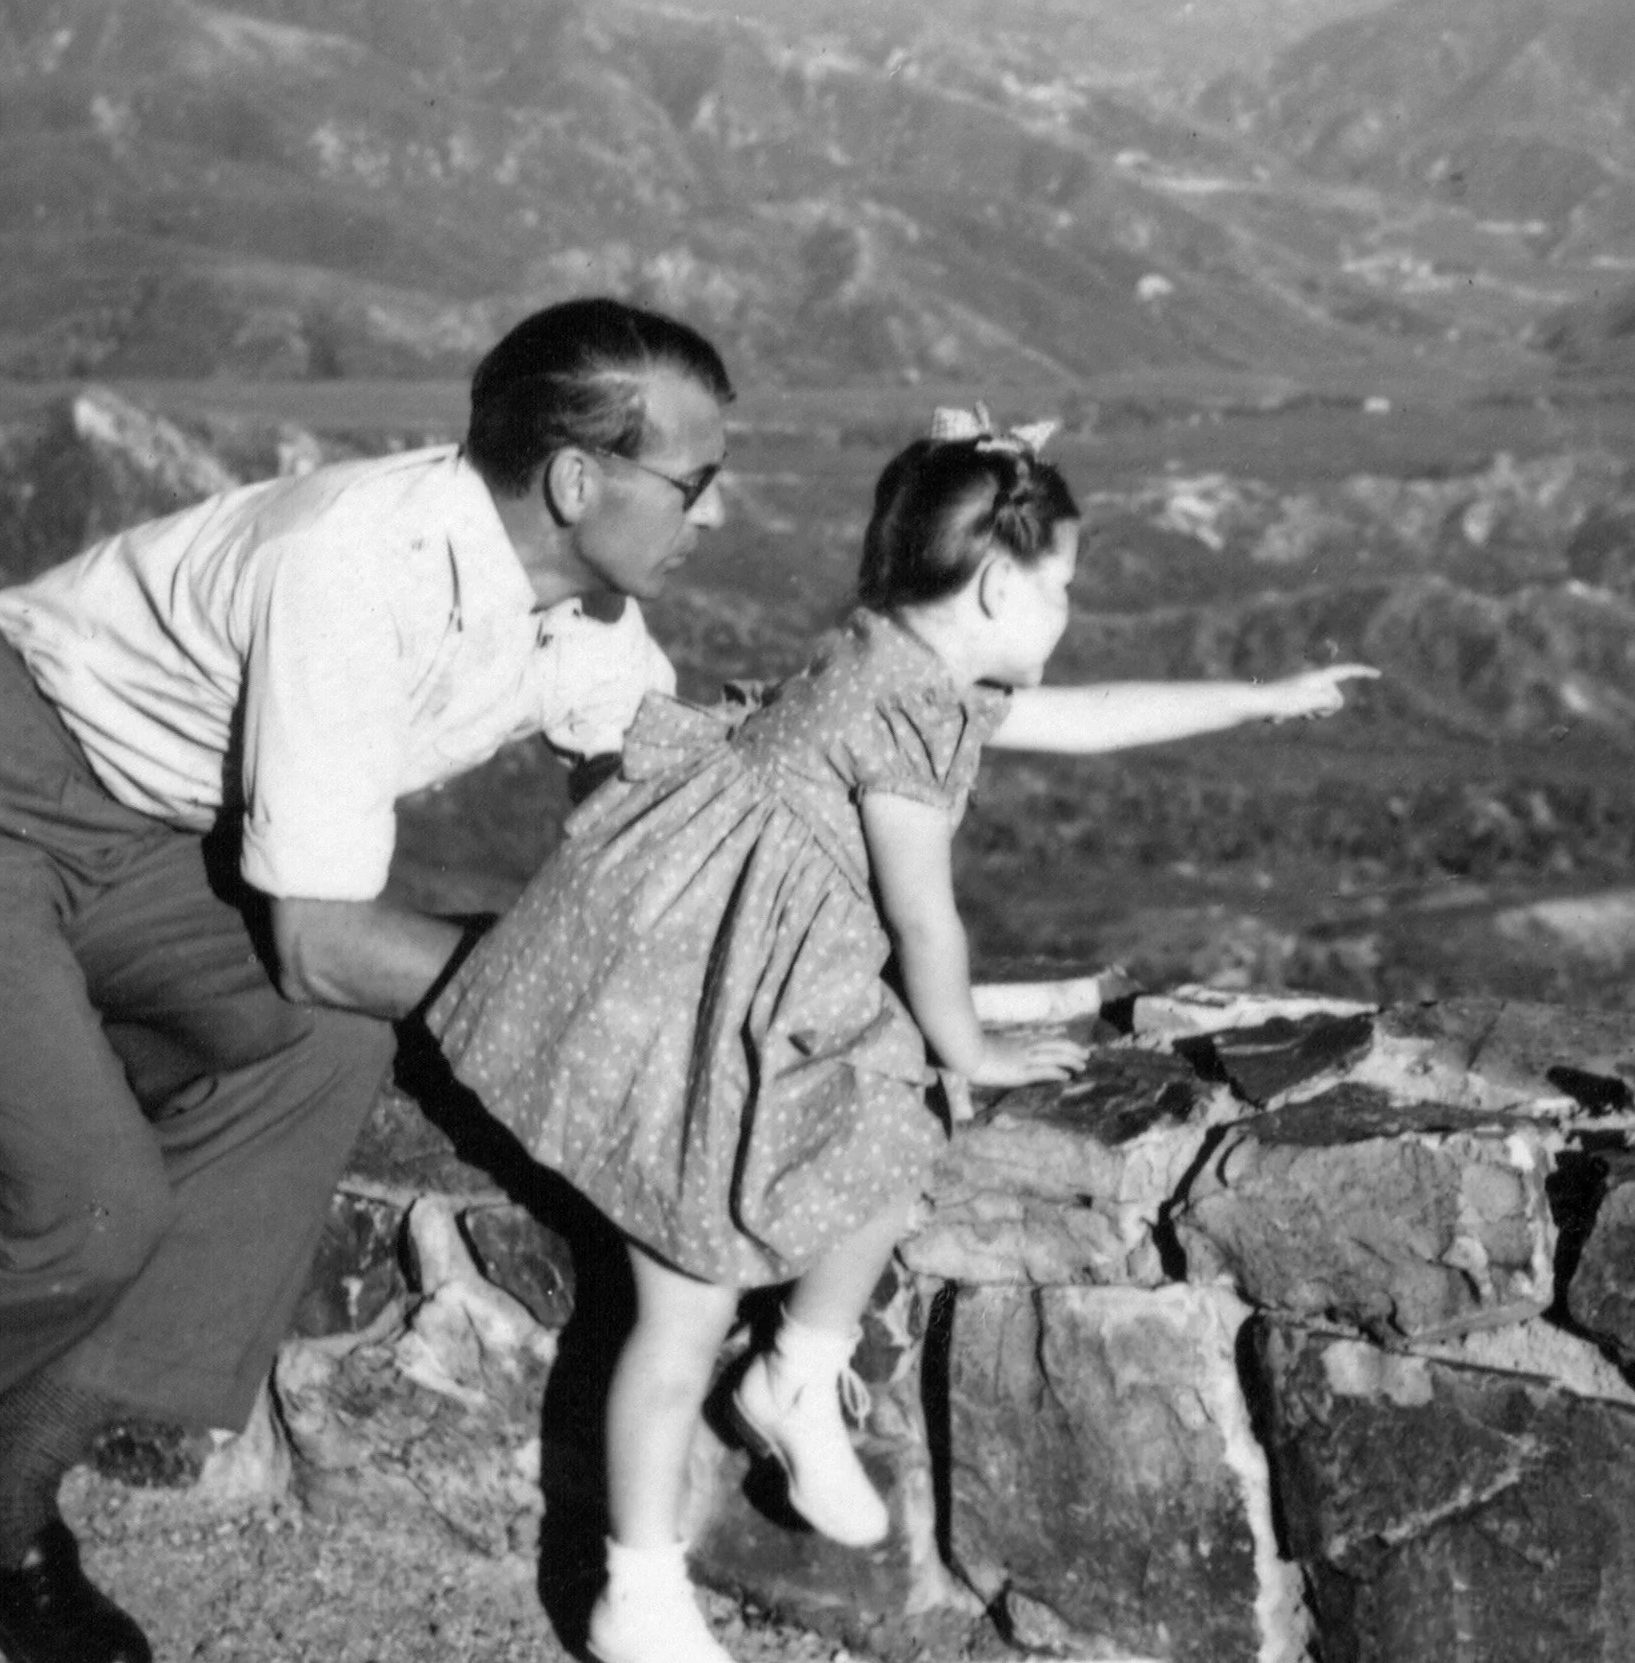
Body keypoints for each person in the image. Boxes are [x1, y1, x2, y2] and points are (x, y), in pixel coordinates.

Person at [0, 298, 735, 1663]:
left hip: (145, 839)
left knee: (320, 1048)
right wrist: (553, 992)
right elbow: (320, 934)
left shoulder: (582, 611)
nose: (712, 516)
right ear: (576, 480)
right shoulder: (351, 565)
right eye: (696, 483)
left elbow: (668, 809)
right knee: (85, 1204)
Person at [428, 406, 1373, 1663]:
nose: (1070, 615)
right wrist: (969, 1050)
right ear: (994, 584)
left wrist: (1262, 697)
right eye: (1066, 588)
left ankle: (799, 1375)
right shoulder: (910, 716)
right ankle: (637, 1592)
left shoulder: (885, 661)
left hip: (706, 976)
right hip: (694, 1020)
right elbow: (925, 921)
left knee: (893, 1126)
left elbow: (1085, 721)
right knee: (687, 1304)